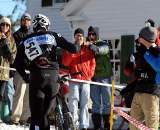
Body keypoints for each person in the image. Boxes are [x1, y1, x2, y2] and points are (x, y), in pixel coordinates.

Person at [15, 14, 80, 130]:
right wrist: (79, 44)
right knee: (45, 115)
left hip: (36, 77)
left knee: (36, 116)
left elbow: (18, 64)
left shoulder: (25, 40)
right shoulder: (53, 35)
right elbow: (74, 49)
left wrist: (26, 77)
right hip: (53, 78)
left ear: (34, 26)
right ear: (47, 25)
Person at [61, 28, 96, 130]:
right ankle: (73, 124)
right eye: (77, 35)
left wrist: (89, 75)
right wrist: (72, 52)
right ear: (74, 37)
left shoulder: (88, 48)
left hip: (85, 80)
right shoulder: (70, 48)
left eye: (81, 36)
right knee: (73, 101)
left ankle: (84, 125)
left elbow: (93, 63)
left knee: (85, 103)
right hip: (74, 79)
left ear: (83, 37)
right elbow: (65, 63)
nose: (79, 37)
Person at [128, 26, 160, 130]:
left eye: (140, 36)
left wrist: (145, 53)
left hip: (151, 93)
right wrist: (131, 62)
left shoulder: (157, 51)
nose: (138, 39)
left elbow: (158, 66)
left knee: (151, 126)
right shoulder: (140, 51)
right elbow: (129, 72)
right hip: (138, 91)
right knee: (134, 125)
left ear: (144, 38)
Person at [87, 26, 112, 130]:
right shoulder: (87, 46)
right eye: (90, 34)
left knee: (107, 102)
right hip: (93, 78)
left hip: (105, 78)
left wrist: (93, 47)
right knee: (96, 103)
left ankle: (107, 125)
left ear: (97, 34)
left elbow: (101, 50)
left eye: (93, 34)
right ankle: (97, 126)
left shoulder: (104, 44)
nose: (92, 36)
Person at [11, 12, 31, 125]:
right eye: (24, 20)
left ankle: (25, 118)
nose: (26, 22)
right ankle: (15, 119)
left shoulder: (32, 35)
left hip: (30, 70)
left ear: (30, 22)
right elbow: (18, 53)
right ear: (21, 21)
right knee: (19, 94)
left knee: (28, 95)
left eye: (28, 20)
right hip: (19, 69)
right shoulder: (17, 35)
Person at [0, 16, 17, 122]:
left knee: (1, 96)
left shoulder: (11, 40)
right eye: (2, 24)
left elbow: (12, 59)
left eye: (7, 25)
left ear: (9, 27)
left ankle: (3, 117)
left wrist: (5, 43)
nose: (4, 26)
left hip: (4, 73)